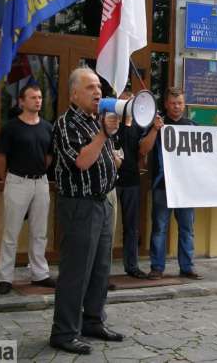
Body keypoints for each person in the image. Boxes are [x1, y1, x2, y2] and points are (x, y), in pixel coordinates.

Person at [49, 68, 123, 355]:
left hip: (102, 202)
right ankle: (63, 332)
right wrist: (104, 135)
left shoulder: (96, 122)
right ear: (74, 94)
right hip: (79, 205)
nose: (98, 92)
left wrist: (112, 160)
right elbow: (81, 162)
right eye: (90, 87)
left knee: (100, 269)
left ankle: (92, 321)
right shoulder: (66, 124)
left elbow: (104, 157)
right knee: (75, 271)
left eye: (99, 87)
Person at [0, 84, 54, 295]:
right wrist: (8, 178)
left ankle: (40, 274)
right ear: (21, 101)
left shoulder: (47, 127)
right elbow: (0, 157)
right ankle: (5, 277)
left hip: (41, 182)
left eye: (39, 97)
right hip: (17, 181)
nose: (38, 101)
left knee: (39, 232)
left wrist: (37, 175)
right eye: (32, 97)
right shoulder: (11, 128)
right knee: (11, 232)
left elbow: (48, 156)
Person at [140, 87, 204, 280]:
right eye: (173, 103)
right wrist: (154, 129)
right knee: (159, 228)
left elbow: (204, 157)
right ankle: (157, 268)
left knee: (187, 229)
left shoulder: (193, 127)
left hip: (186, 189)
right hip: (163, 187)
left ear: (184, 105)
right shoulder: (158, 125)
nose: (177, 106)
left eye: (180, 103)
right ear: (166, 104)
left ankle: (187, 267)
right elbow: (143, 150)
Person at [115, 90, 147, 279]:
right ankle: (101, 268)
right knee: (106, 228)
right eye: (124, 103)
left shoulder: (139, 126)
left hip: (132, 181)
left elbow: (142, 152)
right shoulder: (110, 123)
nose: (127, 107)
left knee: (132, 227)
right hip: (111, 182)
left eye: (130, 103)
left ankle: (132, 266)